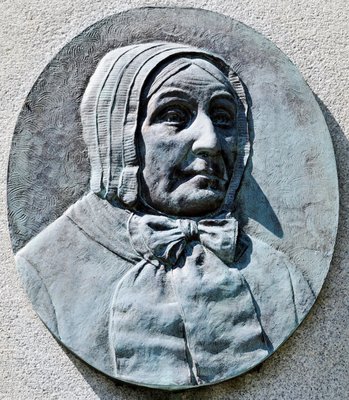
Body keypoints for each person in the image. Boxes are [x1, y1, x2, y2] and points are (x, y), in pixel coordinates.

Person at [15, 42, 315, 389]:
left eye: (222, 118)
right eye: (174, 115)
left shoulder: (281, 279)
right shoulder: (48, 270)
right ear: (117, 139)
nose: (211, 142)